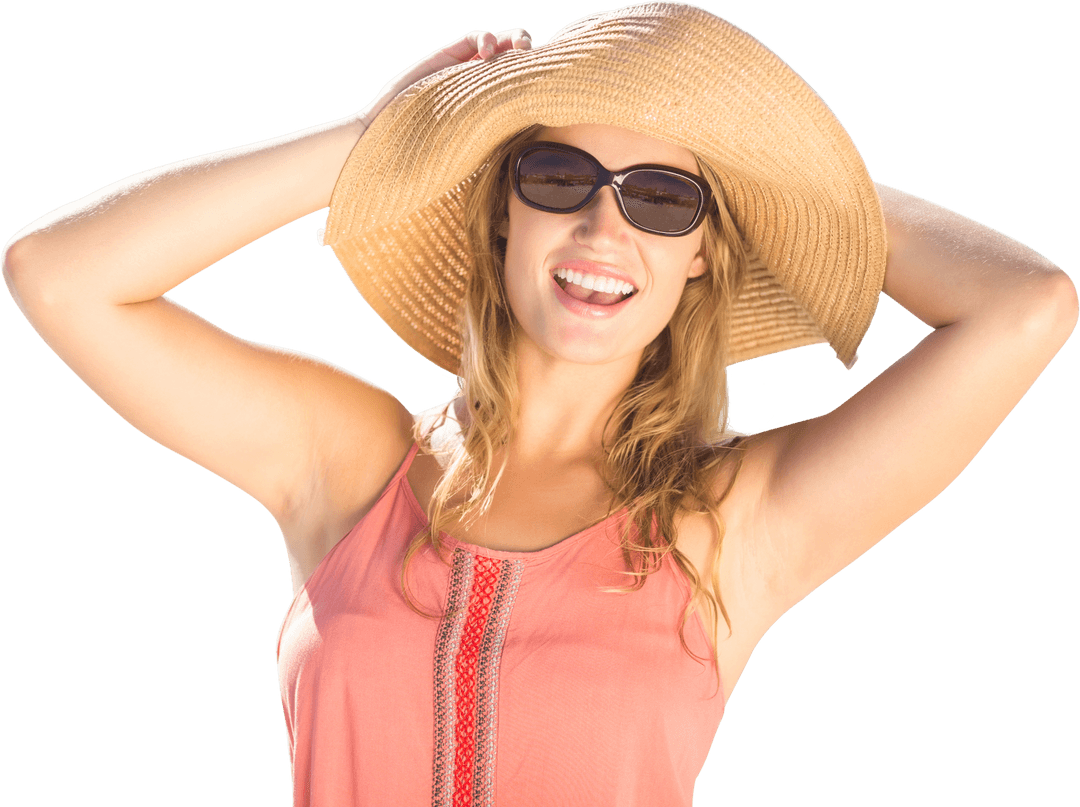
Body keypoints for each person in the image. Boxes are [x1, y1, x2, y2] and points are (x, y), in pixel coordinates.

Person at [2, 2, 1075, 805]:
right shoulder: (355, 461)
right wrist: (374, 135)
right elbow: (57, 273)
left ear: (703, 253)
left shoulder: (734, 519)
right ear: (502, 215)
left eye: (664, 200)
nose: (605, 234)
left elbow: (1026, 307)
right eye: (559, 177)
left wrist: (793, 180)